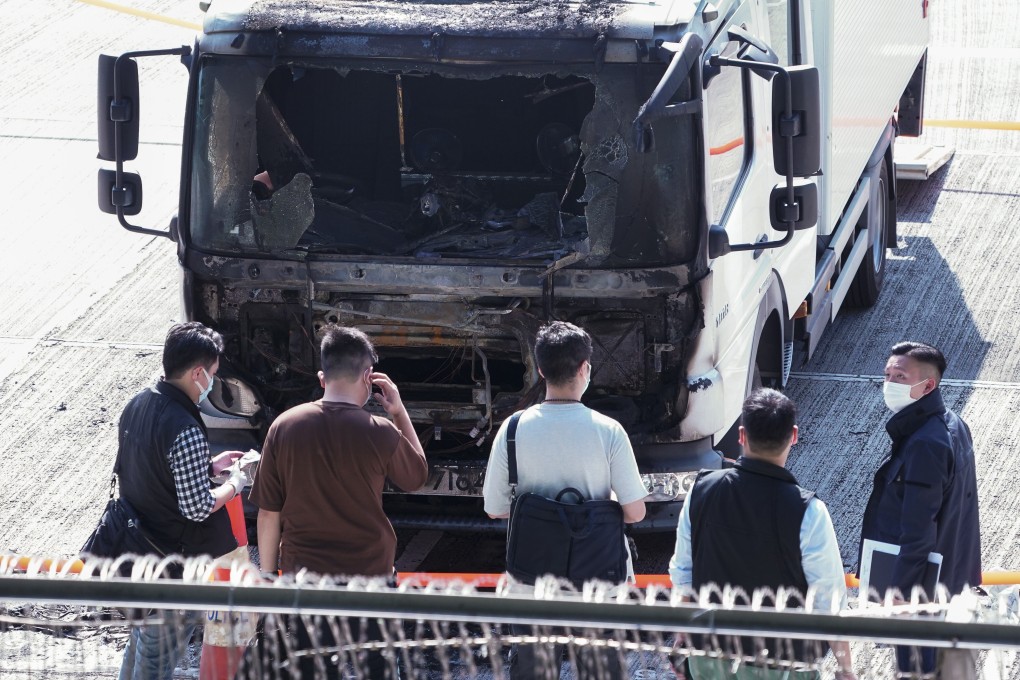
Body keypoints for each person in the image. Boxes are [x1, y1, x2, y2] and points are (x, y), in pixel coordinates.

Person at [247, 324, 427, 678]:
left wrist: (269, 578)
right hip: (371, 579)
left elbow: (269, 514)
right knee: (378, 668)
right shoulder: (380, 431)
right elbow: (417, 476)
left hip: (306, 579)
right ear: (368, 377)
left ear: (321, 377)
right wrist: (399, 411)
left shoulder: (284, 426)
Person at [482, 320, 648, 680]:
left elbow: (495, 508)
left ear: (540, 370)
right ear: (584, 368)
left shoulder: (512, 430)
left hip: (532, 583)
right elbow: (635, 512)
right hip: (599, 584)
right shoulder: (609, 431)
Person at [668, 389, 855, 680]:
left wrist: (683, 633)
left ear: (741, 435)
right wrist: (845, 668)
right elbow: (828, 599)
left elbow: (683, 571)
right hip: (783, 662)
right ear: (793, 435)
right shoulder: (809, 510)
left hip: (709, 655)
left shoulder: (701, 490)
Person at [118, 322, 249, 680]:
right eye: (213, 375)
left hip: (137, 552)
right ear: (197, 373)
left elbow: (154, 467)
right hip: (172, 566)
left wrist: (207, 467)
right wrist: (235, 483)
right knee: (156, 661)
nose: (213, 384)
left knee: (139, 646)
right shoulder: (186, 427)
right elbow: (196, 508)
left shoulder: (138, 404)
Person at [860, 341, 981, 677]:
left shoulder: (925, 443)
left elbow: (918, 528)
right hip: (949, 577)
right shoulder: (953, 423)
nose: (889, 384)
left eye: (899, 377)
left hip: (920, 589)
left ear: (928, 385)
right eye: (887, 375)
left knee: (917, 669)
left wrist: (900, 592)